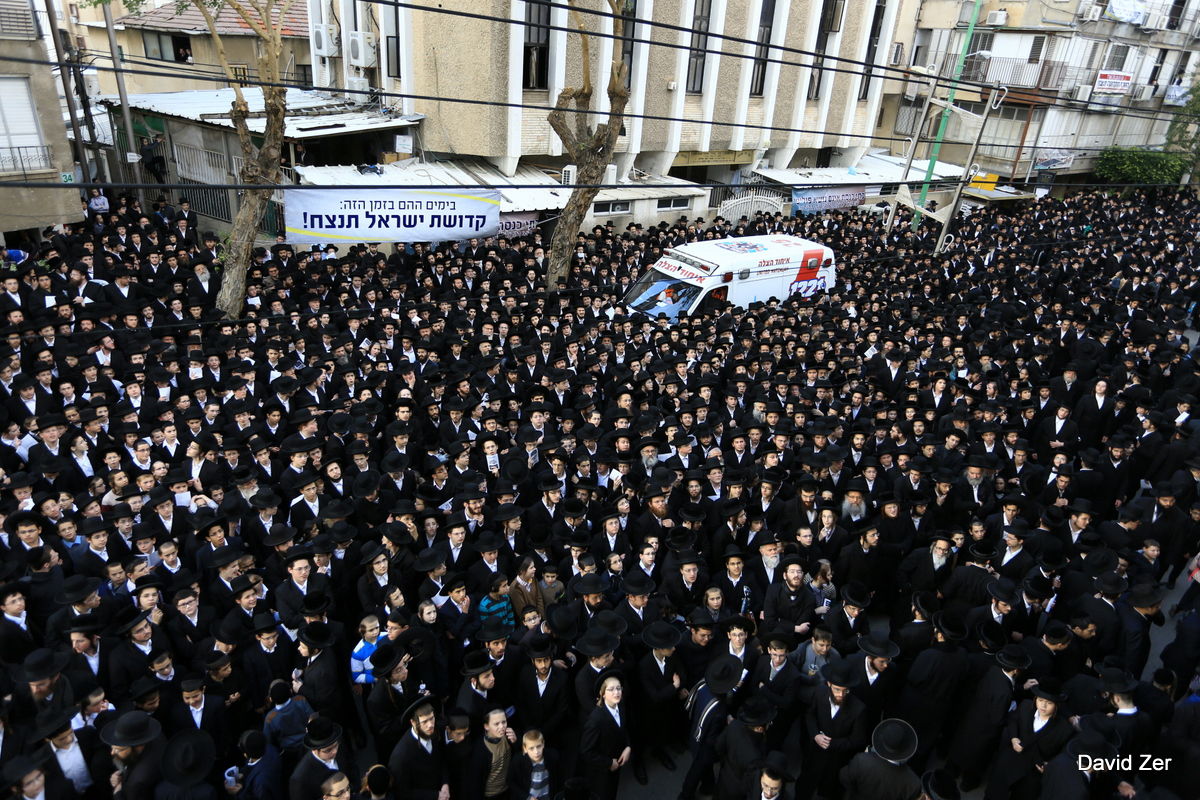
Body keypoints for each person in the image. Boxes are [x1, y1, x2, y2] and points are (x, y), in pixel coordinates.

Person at [579, 673, 631, 800]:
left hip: (616, 764)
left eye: (618, 688)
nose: (616, 692)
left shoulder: (621, 706)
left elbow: (624, 730)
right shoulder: (596, 720)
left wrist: (628, 747)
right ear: (603, 694)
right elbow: (586, 752)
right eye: (611, 689)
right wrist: (608, 763)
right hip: (600, 772)